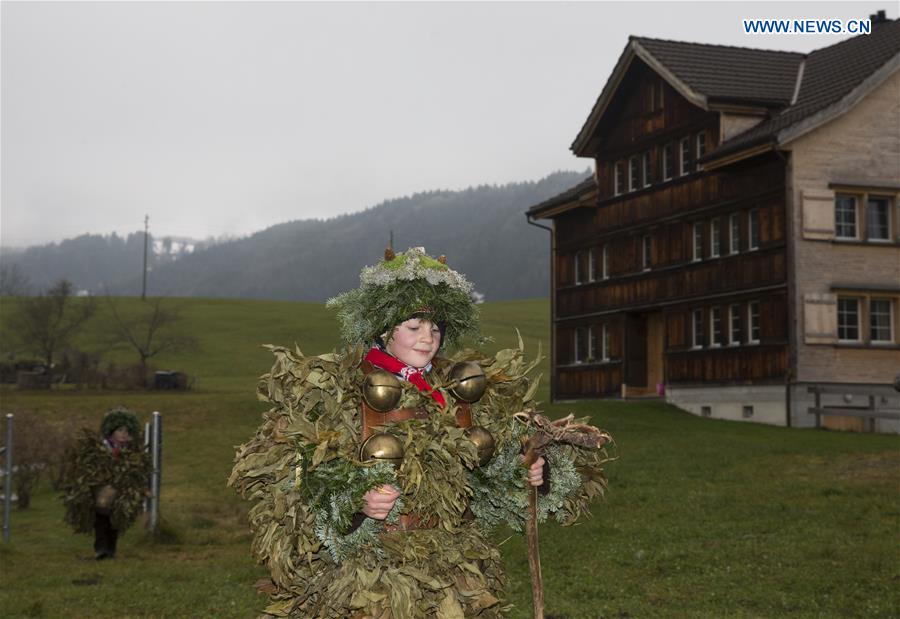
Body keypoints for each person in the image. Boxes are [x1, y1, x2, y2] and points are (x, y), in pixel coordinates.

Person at [230, 247, 610, 617]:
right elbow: (296, 485)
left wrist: (532, 473)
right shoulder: (340, 392)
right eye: (413, 327)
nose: (427, 339)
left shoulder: (461, 391)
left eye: (435, 328)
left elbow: (493, 481)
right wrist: (355, 506)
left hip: (452, 573)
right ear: (383, 331)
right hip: (370, 576)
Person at [60, 407, 151, 560]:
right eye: (120, 430)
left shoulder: (131, 451)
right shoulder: (102, 447)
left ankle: (111, 549)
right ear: (111, 431)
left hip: (120, 492)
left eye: (127, 431)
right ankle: (101, 549)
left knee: (115, 520)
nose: (124, 434)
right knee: (101, 518)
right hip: (100, 492)